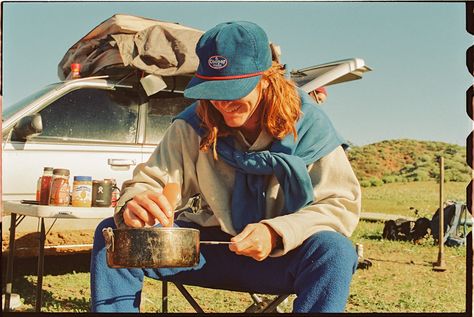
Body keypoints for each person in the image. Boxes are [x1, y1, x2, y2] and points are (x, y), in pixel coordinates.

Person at [91, 21, 361, 313]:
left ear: (268, 79)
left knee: (335, 251)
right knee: (112, 235)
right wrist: (136, 203)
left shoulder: (310, 127)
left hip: (283, 254)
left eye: (234, 89)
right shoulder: (194, 124)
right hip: (207, 252)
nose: (222, 102)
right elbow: (153, 181)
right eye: (214, 90)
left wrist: (276, 232)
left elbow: (340, 205)